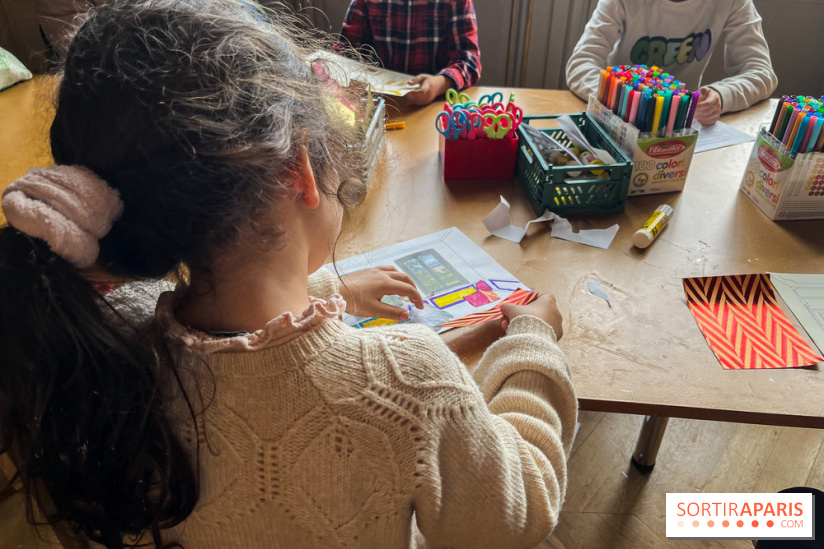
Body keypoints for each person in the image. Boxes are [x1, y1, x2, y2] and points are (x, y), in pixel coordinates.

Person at [0, 1, 576, 548]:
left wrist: (335, 292)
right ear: (300, 170)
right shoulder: (411, 382)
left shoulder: (109, 353)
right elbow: (522, 507)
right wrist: (532, 348)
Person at [565, 0, 778, 125]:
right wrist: (628, 100)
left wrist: (721, 96)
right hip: (621, 116)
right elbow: (581, 65)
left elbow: (761, 72)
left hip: (683, 122)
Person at [337, 0, 482, 106]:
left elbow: (469, 60)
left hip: (433, 104)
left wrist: (440, 83)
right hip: (379, 104)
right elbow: (346, 49)